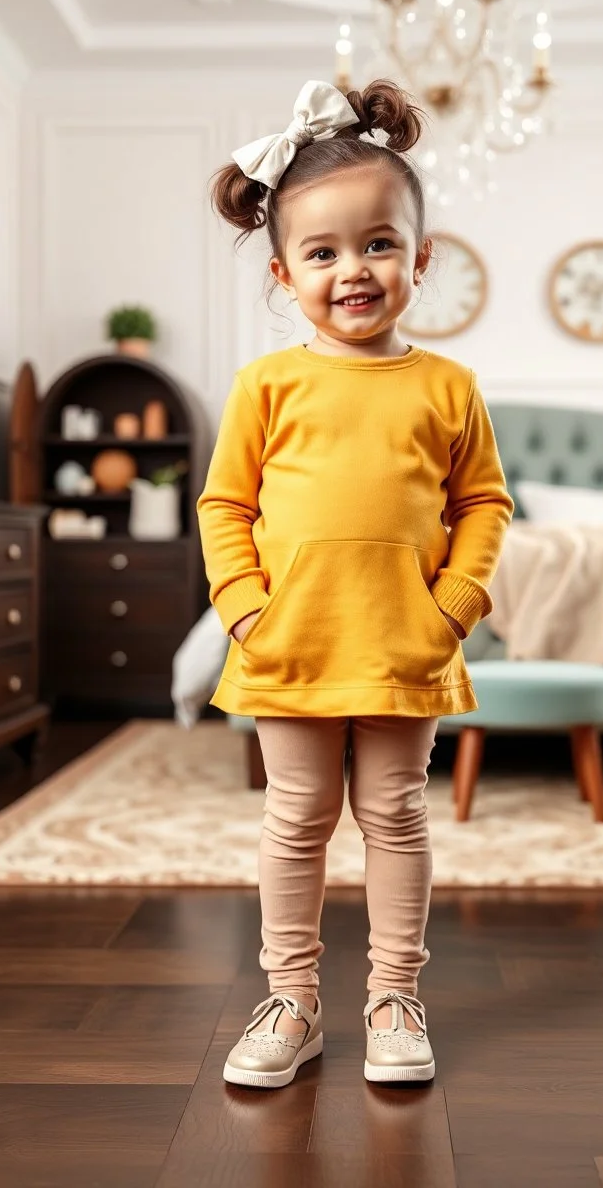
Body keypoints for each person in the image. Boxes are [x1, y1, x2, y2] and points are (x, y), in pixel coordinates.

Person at [197, 77, 514, 1089]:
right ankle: (291, 1001)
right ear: (286, 275)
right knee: (294, 821)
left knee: (397, 817)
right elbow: (224, 508)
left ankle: (393, 994)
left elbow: (484, 506)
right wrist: (246, 609)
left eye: (378, 244)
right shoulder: (266, 386)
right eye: (323, 254)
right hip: (288, 645)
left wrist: (452, 608)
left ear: (419, 258)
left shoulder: (447, 388)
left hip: (402, 646)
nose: (353, 270)